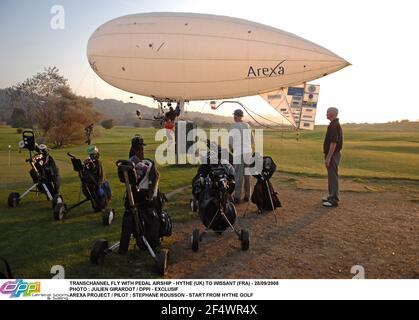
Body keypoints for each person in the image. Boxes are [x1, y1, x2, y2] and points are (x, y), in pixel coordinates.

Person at [229, 109, 254, 204]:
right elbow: (252, 141)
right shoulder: (248, 126)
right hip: (248, 153)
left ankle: (237, 197)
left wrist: (233, 149)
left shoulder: (233, 126)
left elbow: (230, 143)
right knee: (247, 175)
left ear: (235, 116)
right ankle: (248, 196)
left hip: (239, 153)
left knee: (238, 176)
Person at [323, 107, 343, 208]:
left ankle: (334, 199)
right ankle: (331, 196)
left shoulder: (334, 125)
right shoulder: (333, 124)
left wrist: (328, 158)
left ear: (333, 114)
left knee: (333, 176)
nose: (326, 113)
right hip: (332, 154)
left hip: (333, 154)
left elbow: (333, 143)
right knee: (331, 175)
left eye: (328, 112)